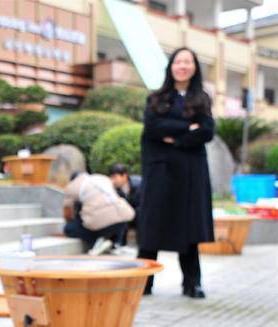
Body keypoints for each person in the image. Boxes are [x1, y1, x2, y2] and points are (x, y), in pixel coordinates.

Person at [139, 47, 214, 298]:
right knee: (152, 225)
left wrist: (176, 139)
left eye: (187, 62)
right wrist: (188, 127)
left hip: (190, 174)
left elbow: (206, 131)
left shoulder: (201, 99)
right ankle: (143, 282)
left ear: (194, 67)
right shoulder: (156, 98)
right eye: (178, 61)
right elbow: (152, 128)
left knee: (188, 226)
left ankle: (192, 283)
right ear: (171, 66)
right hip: (161, 171)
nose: (182, 66)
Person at [63, 172, 135, 255]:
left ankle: (97, 242)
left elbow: (67, 213)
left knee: (69, 228)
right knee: (116, 219)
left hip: (98, 225)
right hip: (123, 216)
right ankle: (114, 242)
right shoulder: (102, 178)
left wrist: (71, 221)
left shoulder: (72, 186)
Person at [109, 163, 141, 246]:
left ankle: (143, 244)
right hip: (126, 213)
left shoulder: (139, 183)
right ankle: (119, 244)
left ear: (124, 176)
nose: (113, 180)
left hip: (139, 212)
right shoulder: (113, 189)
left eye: (115, 177)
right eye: (111, 177)